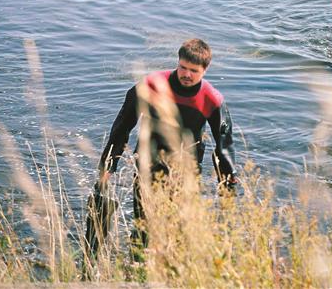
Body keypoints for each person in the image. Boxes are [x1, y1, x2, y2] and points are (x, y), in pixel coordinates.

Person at [95, 38, 237, 252]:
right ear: (177, 62)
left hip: (186, 170)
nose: (187, 74)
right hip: (146, 164)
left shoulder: (211, 99)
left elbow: (224, 147)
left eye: (194, 71)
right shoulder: (152, 85)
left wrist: (227, 188)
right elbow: (122, 127)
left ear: (205, 70)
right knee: (144, 227)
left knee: (180, 231)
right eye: (183, 67)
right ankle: (139, 269)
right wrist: (107, 169)